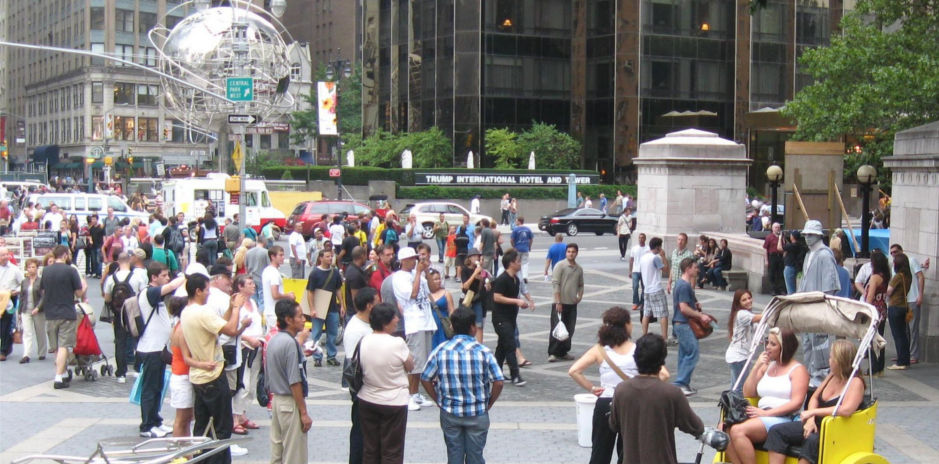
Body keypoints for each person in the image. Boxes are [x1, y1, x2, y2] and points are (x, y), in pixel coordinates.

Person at [569, 307, 669, 464]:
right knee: (628, 453)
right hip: (632, 403)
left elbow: (574, 370)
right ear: (626, 325)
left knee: (600, 452)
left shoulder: (599, 349)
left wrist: (592, 388)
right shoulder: (638, 349)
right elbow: (664, 375)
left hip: (605, 402)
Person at [181, 273, 252, 463]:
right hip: (212, 374)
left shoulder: (187, 311)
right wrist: (237, 308)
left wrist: (230, 308)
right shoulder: (201, 312)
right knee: (221, 425)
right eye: (206, 290)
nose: (208, 294)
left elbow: (220, 326)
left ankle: (201, 459)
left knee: (203, 425)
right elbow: (229, 329)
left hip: (199, 376)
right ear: (197, 291)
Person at [420, 307, 505, 464]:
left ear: (452, 326)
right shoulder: (483, 352)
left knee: (454, 456)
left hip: (450, 412)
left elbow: (425, 377)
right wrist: (489, 402)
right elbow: (499, 381)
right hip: (477, 412)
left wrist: (437, 399)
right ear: (473, 327)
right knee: (476, 457)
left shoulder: (440, 350)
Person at [764, 340, 866, 464]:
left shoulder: (855, 382)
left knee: (811, 440)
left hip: (834, 429)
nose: (829, 361)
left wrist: (813, 412)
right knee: (777, 431)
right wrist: (811, 418)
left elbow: (846, 409)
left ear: (840, 361)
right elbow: (814, 398)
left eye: (831, 357)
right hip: (815, 423)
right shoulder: (832, 375)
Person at [608, 333, 704, 464]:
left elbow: (614, 424)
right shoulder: (671, 393)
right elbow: (695, 427)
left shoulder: (621, 389)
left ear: (636, 358)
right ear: (662, 361)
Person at [725, 328, 809, 464]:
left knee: (738, 431)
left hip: (784, 417)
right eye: (767, 342)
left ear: (784, 347)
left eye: (773, 344)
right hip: (761, 414)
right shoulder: (768, 367)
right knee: (723, 428)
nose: (768, 347)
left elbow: (796, 403)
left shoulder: (798, 370)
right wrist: (757, 366)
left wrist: (766, 413)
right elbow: (748, 393)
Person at [358, 303, 415, 464]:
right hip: (394, 401)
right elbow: (410, 365)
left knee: (370, 449)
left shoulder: (364, 341)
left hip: (368, 398)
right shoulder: (397, 343)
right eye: (394, 317)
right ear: (385, 323)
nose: (397, 320)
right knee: (392, 451)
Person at [137, 262, 186, 437]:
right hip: (150, 348)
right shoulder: (148, 293)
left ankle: (155, 420)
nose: (167, 278)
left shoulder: (157, 296)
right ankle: (147, 425)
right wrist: (184, 276)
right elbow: (172, 286)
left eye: (167, 275)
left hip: (158, 348)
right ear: (153, 277)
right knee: (150, 388)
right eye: (164, 275)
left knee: (158, 386)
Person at [266, 299, 312, 464]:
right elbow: (295, 381)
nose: (303, 319)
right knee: (294, 455)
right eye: (299, 316)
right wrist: (304, 412)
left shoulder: (273, 340)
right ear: (288, 319)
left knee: (277, 453)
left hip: (277, 401)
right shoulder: (290, 343)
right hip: (290, 402)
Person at [391, 247, 438, 411]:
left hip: (426, 321)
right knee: (415, 362)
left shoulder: (418, 274)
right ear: (403, 261)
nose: (415, 261)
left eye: (416, 258)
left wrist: (425, 272)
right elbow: (412, 294)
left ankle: (415, 393)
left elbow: (432, 289)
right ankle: (408, 395)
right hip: (414, 322)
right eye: (412, 259)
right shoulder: (398, 277)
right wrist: (418, 273)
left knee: (423, 363)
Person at [798, 220, 840, 387]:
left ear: (818, 235)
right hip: (807, 307)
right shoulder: (809, 255)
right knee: (808, 342)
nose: (807, 238)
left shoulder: (824, 255)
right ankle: (810, 374)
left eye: (810, 235)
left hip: (819, 308)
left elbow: (829, 286)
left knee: (820, 342)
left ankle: (821, 376)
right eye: (806, 235)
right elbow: (804, 282)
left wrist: (824, 308)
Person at [344, 287, 378, 464]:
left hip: (371, 388)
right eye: (376, 300)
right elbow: (354, 364)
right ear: (369, 305)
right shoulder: (355, 329)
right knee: (360, 432)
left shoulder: (368, 324)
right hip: (362, 388)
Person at [103, 251, 149, 382]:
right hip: (134, 312)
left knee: (120, 342)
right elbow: (143, 294)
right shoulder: (136, 277)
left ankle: (121, 373)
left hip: (119, 314)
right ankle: (137, 368)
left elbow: (107, 298)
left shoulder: (112, 278)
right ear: (129, 261)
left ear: (117, 262)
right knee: (139, 340)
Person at [672, 257, 715, 396]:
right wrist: (700, 315)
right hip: (684, 323)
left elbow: (685, 306)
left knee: (685, 353)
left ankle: (683, 383)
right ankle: (680, 383)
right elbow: (683, 308)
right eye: (695, 267)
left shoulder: (681, 284)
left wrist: (694, 305)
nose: (698, 269)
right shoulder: (684, 286)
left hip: (681, 323)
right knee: (692, 352)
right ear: (688, 268)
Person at [491, 249, 529, 386]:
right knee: (510, 345)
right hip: (500, 319)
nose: (520, 264)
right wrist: (516, 301)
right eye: (518, 261)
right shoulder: (502, 279)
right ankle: (515, 375)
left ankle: (496, 372)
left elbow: (514, 298)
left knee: (502, 345)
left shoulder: (516, 280)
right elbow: (497, 297)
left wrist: (522, 303)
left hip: (511, 318)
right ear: (511, 263)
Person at [889, 244, 927, 364]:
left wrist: (920, 294)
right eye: (891, 253)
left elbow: (920, 276)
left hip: (912, 300)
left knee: (912, 328)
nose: (893, 254)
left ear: (901, 251)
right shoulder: (895, 266)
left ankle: (913, 354)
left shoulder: (910, 260)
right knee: (903, 330)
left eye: (896, 252)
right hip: (902, 302)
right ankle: (903, 354)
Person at [306, 248, 343, 367]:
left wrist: (341, 304)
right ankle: (317, 356)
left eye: (331, 256)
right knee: (316, 333)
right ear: (320, 258)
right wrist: (312, 308)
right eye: (327, 256)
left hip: (332, 307)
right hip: (319, 307)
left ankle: (331, 356)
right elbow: (310, 292)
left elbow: (338, 289)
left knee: (332, 333)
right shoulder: (315, 273)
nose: (330, 258)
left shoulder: (335, 272)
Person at [549, 243, 584, 362]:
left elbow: (581, 285)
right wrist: (558, 301)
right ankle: (553, 352)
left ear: (577, 253)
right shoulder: (560, 265)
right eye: (569, 251)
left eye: (573, 252)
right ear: (566, 253)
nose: (571, 254)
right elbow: (555, 284)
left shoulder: (579, 269)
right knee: (557, 327)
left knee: (569, 329)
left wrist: (579, 296)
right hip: (560, 303)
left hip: (572, 303)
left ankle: (563, 351)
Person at [725, 290, 762, 392]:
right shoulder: (742, 314)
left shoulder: (746, 314)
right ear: (738, 303)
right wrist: (775, 311)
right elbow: (760, 318)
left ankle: (731, 405)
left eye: (749, 298)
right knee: (740, 387)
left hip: (740, 356)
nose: (748, 301)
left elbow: (756, 329)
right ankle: (736, 407)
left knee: (736, 385)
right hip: (738, 356)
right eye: (744, 300)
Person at [863, 250, 889, 376]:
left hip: (874, 310)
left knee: (871, 339)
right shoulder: (885, 276)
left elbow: (870, 296)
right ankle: (880, 367)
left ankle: (874, 367)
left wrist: (865, 310)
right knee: (880, 338)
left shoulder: (874, 278)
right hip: (883, 309)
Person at [885, 252, 912, 370]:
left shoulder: (898, 276)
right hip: (904, 306)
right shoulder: (908, 276)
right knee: (903, 335)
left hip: (895, 306)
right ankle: (906, 359)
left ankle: (901, 361)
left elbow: (889, 291)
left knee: (898, 335)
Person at [640, 237, 670, 338]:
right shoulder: (655, 258)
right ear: (658, 247)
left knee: (646, 313)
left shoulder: (644, 257)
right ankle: (664, 338)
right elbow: (666, 269)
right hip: (656, 288)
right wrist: (664, 257)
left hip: (647, 289)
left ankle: (644, 335)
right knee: (663, 313)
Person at [17, 259, 45, 364]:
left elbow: (44, 296)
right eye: (29, 267)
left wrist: (38, 308)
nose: (31, 269)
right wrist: (19, 312)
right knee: (27, 333)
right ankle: (26, 354)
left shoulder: (41, 281)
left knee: (40, 331)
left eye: (33, 267)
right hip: (26, 309)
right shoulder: (24, 282)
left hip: (38, 310)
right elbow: (21, 297)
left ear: (37, 268)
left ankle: (42, 352)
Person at [0, 247, 25, 362]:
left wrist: (17, 291)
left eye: (6, 255)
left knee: (5, 327)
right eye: (2, 255)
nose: (5, 257)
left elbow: (23, 283)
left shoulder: (14, 269)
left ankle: (3, 351)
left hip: (8, 302)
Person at [461, 248, 490, 343]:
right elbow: (465, 286)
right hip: (467, 299)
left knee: (479, 324)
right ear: (469, 258)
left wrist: (484, 280)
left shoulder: (481, 270)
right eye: (473, 256)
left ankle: (479, 344)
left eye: (477, 256)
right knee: (465, 322)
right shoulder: (465, 270)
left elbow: (484, 286)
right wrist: (474, 274)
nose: (476, 258)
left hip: (477, 299)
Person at [262, 246, 295, 323]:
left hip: (269, 311)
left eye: (283, 255)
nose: (283, 257)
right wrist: (288, 295)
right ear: (272, 257)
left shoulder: (267, 270)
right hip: (274, 312)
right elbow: (275, 295)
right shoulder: (274, 273)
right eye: (280, 255)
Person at [427, 268, 454, 349]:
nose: (438, 281)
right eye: (435, 279)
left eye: (439, 279)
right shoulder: (426, 294)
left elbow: (451, 310)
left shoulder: (446, 293)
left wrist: (452, 323)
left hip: (443, 324)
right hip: (430, 325)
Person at [763, 222, 786, 295]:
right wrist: (766, 260)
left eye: (778, 227)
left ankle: (780, 289)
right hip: (772, 256)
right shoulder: (769, 237)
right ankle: (773, 289)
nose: (777, 229)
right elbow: (765, 249)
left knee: (780, 273)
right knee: (772, 273)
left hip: (780, 256)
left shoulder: (782, 237)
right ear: (772, 229)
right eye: (776, 227)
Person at [510, 217, 534, 282]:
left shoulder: (515, 230)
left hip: (517, 248)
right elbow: (531, 239)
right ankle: (525, 276)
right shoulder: (528, 229)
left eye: (516, 221)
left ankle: (517, 276)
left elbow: (511, 240)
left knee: (517, 262)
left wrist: (514, 246)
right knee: (525, 263)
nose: (515, 222)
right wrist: (529, 246)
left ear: (519, 221)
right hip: (525, 248)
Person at [628, 233, 649, 310]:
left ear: (645, 239)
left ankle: (642, 303)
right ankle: (635, 302)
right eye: (640, 238)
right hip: (635, 270)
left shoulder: (648, 249)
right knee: (635, 286)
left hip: (644, 271)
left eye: (643, 238)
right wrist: (630, 271)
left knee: (644, 288)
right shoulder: (634, 248)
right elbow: (631, 260)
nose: (641, 239)